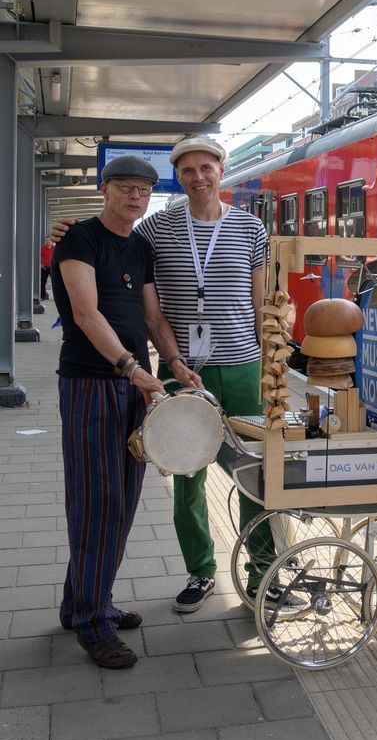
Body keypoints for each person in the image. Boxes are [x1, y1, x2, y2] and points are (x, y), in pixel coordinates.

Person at [53, 137, 276, 614]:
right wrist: (70, 231)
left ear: (221, 169)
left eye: (206, 167)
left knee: (254, 472)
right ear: (179, 177)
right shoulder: (155, 228)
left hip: (241, 363)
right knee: (186, 473)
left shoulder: (251, 228)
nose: (198, 177)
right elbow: (112, 238)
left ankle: (263, 571)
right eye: (188, 170)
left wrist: (277, 351)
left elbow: (260, 302)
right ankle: (200, 571)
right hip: (180, 368)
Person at [51, 156, 200, 668]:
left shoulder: (139, 244)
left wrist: (175, 361)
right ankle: (93, 624)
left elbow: (152, 314)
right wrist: (130, 367)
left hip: (132, 388)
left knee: (124, 496)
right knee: (99, 500)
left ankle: (84, 603)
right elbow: (84, 311)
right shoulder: (80, 240)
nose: (135, 197)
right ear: (105, 188)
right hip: (92, 384)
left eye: (143, 190)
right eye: (125, 188)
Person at [40, 236, 55, 300]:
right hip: (44, 268)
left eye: (49, 240)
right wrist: (41, 264)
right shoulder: (42, 249)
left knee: (55, 283)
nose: (48, 242)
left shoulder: (55, 249)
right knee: (43, 282)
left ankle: (56, 297)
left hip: (53, 268)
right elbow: (38, 257)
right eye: (47, 241)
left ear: (51, 241)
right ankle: (42, 296)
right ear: (45, 241)